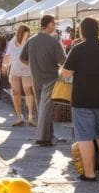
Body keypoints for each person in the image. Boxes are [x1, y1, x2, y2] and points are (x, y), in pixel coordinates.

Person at [61, 17, 99, 181]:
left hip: (82, 98)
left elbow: (66, 73)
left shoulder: (78, 49)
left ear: (82, 31)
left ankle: (89, 173)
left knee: (84, 134)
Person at [20, 15, 66, 146]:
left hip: (36, 77)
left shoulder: (31, 40)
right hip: (50, 77)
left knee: (42, 106)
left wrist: (33, 64)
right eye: (54, 24)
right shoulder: (54, 42)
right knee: (45, 108)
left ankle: (49, 135)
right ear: (50, 24)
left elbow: (22, 58)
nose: (55, 26)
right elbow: (63, 61)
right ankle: (42, 137)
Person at [4, 25, 36, 126]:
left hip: (26, 70)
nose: (28, 35)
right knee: (16, 93)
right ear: (22, 32)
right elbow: (8, 56)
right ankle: (19, 117)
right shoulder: (12, 42)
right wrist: (4, 66)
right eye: (27, 33)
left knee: (28, 92)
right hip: (15, 70)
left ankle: (30, 116)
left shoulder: (29, 42)